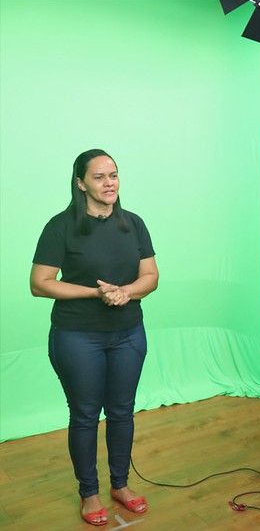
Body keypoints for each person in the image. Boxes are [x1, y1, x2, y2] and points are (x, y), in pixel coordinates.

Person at [30, 149, 159, 526]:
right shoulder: (60, 226)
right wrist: (96, 292)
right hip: (77, 336)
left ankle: (120, 484)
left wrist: (126, 292)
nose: (109, 183)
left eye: (113, 175)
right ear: (81, 183)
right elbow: (40, 283)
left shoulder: (134, 224)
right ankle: (89, 492)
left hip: (128, 334)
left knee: (122, 411)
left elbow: (151, 276)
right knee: (85, 415)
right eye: (99, 177)